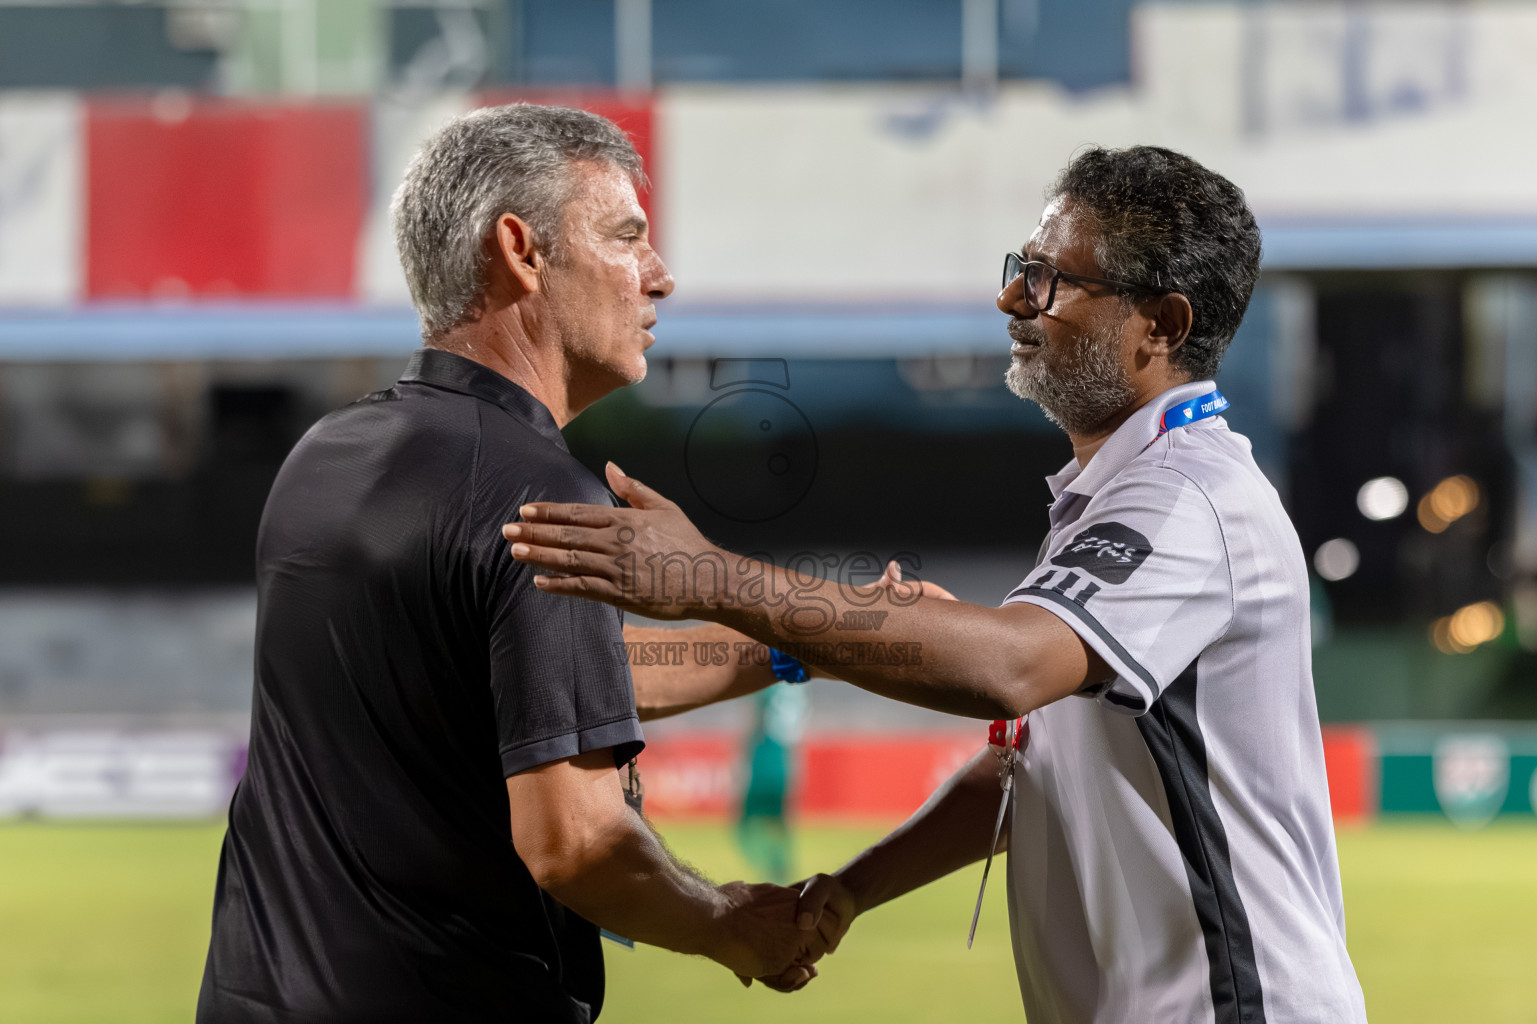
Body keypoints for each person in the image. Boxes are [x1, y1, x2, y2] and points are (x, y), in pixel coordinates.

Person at [502, 145, 1369, 1023]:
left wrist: (703, 575)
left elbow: (1007, 670)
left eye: (1048, 280)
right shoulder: (1112, 498)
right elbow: (1030, 767)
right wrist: (848, 891)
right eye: (1020, 271)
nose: (1011, 300)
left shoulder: (1184, 499)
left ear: (1161, 324)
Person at [197, 104, 832, 1024]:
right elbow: (576, 846)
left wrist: (794, 645)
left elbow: (533, 686)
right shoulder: (542, 497)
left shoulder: (326, 455)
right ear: (522, 250)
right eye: (626, 238)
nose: (659, 277)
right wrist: (730, 923)